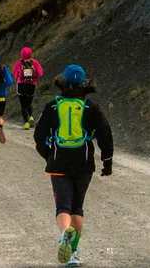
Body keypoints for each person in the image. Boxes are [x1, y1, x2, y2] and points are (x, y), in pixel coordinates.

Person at [34, 65, 113, 267]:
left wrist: (48, 155)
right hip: (84, 163)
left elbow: (39, 135)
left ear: (64, 83)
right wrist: (107, 161)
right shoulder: (91, 107)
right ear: (83, 84)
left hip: (59, 161)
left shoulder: (52, 106)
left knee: (63, 206)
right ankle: (74, 253)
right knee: (77, 208)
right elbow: (105, 134)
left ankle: (64, 236)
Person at [14, 47, 44, 129]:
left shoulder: (18, 63)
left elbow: (15, 75)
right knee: (29, 102)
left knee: (23, 104)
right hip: (32, 85)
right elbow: (40, 73)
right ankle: (31, 116)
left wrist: (20, 79)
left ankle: (26, 122)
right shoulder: (35, 62)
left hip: (21, 85)